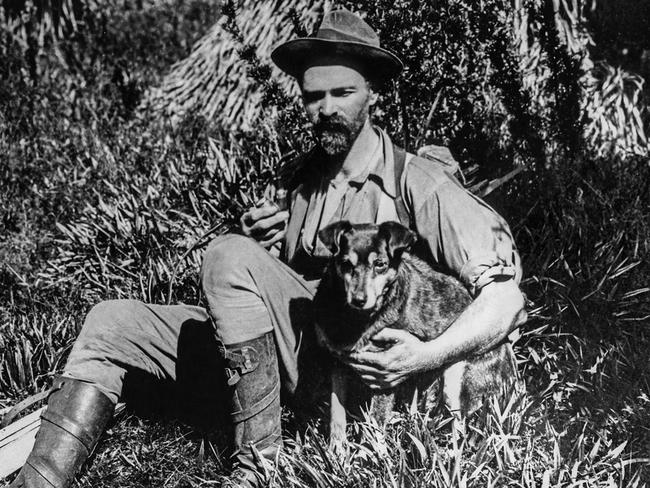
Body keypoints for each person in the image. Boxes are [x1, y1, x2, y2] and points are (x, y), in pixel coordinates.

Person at [8, 8, 526, 488]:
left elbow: (505, 298)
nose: (325, 109)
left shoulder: (418, 181)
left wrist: (423, 356)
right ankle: (38, 480)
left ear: (373, 94)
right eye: (312, 96)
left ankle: (260, 465)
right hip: (288, 356)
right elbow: (272, 295)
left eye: (341, 93)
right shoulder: (300, 183)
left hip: (364, 377)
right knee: (111, 321)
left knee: (227, 255)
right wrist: (260, 248)